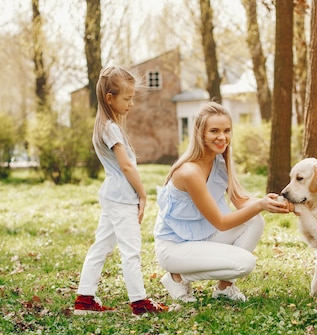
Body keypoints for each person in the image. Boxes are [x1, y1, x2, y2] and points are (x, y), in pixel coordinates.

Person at [153, 101, 290, 303]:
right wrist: (260, 205)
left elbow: (240, 200)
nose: (222, 137)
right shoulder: (190, 172)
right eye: (214, 131)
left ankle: (224, 289)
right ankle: (178, 278)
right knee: (245, 263)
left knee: (255, 221)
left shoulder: (221, 157)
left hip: (202, 236)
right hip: (174, 248)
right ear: (201, 134)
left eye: (227, 130)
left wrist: (276, 203)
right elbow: (221, 222)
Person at [73, 66, 169, 315]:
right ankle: (139, 302)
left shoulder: (104, 125)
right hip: (122, 198)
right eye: (127, 98)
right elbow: (126, 165)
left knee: (101, 246)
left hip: (112, 196)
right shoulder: (111, 128)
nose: (131, 104)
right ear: (109, 98)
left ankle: (84, 299)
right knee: (131, 250)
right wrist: (143, 193)